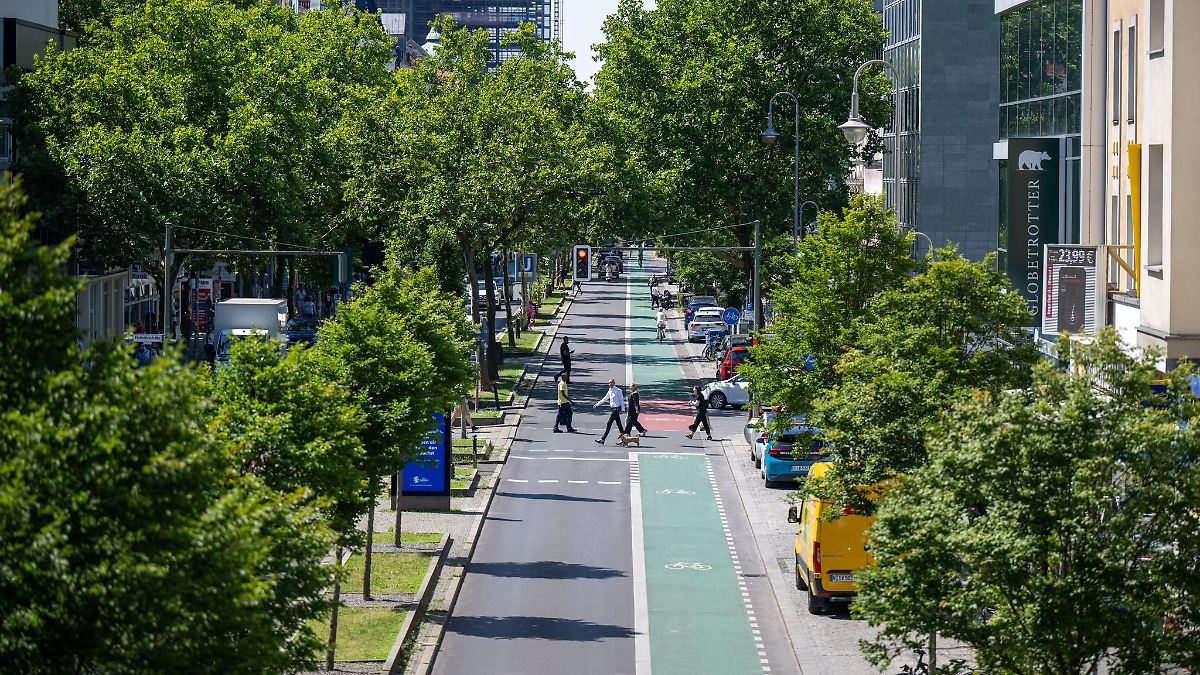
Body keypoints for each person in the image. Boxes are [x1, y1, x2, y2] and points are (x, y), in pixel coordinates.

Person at [593, 379, 626, 444]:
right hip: (613, 409)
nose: (610, 384)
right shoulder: (610, 390)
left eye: (611, 382)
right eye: (609, 383)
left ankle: (603, 439)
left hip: (617, 409)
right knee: (619, 424)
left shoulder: (618, 390)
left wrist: (623, 409)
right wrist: (597, 404)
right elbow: (605, 399)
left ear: (614, 383)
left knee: (609, 423)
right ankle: (624, 438)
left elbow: (621, 400)